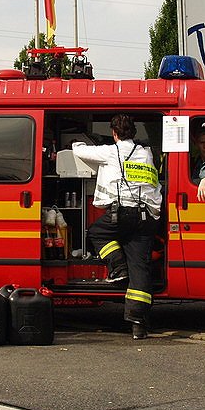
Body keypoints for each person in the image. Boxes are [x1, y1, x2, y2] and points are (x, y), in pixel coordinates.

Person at [72, 114, 162, 340]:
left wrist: (77, 142)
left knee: (96, 232)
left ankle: (118, 267)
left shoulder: (110, 151)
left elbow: (80, 152)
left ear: (114, 133)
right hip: (146, 217)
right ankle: (138, 324)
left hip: (121, 215)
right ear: (134, 132)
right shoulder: (146, 153)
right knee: (140, 267)